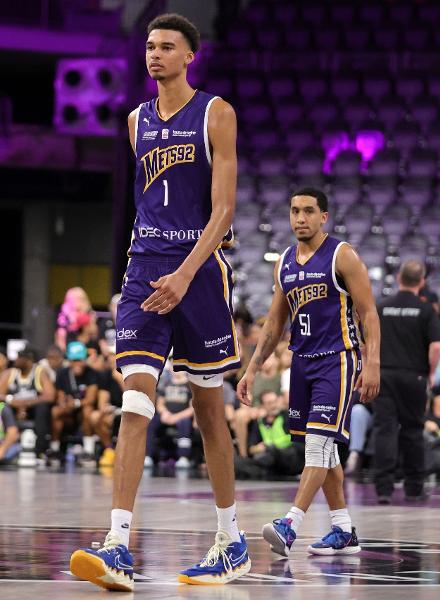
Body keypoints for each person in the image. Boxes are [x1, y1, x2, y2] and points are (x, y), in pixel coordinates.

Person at [70, 13, 250, 591]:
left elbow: (223, 212)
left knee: (207, 413)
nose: (155, 55)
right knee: (136, 401)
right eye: (149, 46)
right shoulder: (134, 122)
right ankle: (118, 543)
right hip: (145, 268)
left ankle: (230, 540)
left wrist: (184, 272)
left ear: (189, 56)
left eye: (167, 46)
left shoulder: (216, 113)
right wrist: (155, 272)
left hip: (197, 272)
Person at [237, 188, 380, 557]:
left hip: (339, 358)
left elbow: (368, 313)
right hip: (301, 362)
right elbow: (273, 325)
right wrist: (251, 369)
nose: (300, 218)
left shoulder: (342, 255)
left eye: (308, 211)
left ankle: (290, 523)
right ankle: (343, 530)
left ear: (323, 217)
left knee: (318, 444)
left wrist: (373, 362)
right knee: (321, 450)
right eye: (294, 211)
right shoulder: (283, 261)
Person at [373, 260, 440, 503]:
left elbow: (366, 342)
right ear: (421, 281)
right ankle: (414, 487)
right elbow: (436, 346)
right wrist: (431, 373)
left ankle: (383, 489)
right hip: (414, 376)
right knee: (413, 430)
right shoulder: (426, 310)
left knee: (384, 430)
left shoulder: (382, 307)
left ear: (400, 278)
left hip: (384, 375)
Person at [0, 346, 55, 458]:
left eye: (20, 357)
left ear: (29, 360)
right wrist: (14, 402)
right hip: (13, 409)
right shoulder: (10, 373)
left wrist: (26, 403)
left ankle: (39, 450)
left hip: (33, 410)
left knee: (43, 408)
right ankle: (8, 438)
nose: (16, 359)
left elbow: (50, 396)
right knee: (3, 407)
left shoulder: (40, 372)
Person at [51, 341, 100, 463]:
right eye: (74, 360)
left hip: (82, 413)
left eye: (80, 360)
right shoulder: (62, 373)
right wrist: (64, 405)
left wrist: (76, 403)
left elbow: (91, 399)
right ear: (69, 360)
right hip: (68, 413)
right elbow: (60, 396)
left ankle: (88, 451)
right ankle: (54, 450)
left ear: (85, 360)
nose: (77, 363)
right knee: (55, 411)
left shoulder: (91, 373)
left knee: (88, 410)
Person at [0, 398, 20, 464]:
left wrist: (2, 449)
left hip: (4, 445)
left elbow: (13, 433)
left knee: (14, 449)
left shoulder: (3, 409)